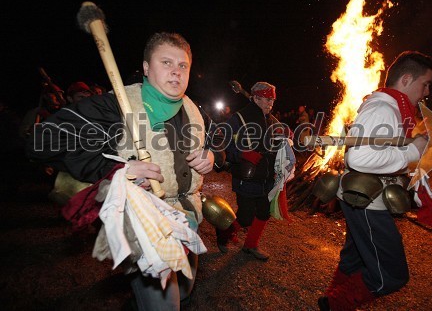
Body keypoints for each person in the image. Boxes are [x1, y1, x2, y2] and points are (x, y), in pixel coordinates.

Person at [26, 32, 222, 311]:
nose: (176, 72)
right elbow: (42, 140)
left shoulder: (193, 109)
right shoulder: (116, 105)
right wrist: (118, 168)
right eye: (166, 63)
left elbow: (217, 145)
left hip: (187, 222)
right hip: (145, 228)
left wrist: (212, 156)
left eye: (183, 66)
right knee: (165, 306)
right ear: (145, 68)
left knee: (186, 290)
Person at [318, 51, 432, 310]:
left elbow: (379, 150)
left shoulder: (391, 107)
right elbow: (360, 157)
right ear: (406, 79)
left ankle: (334, 298)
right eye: (425, 84)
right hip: (369, 203)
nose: (427, 92)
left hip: (366, 199)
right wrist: (413, 151)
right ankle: (335, 303)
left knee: (355, 257)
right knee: (391, 274)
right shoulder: (383, 108)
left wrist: (414, 144)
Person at [214, 81, 292, 261]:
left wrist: (286, 140)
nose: (270, 104)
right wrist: (241, 153)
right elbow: (220, 141)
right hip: (246, 176)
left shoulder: (272, 120)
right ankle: (223, 233)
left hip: (266, 176)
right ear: (255, 98)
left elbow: (277, 143)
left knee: (264, 213)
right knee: (245, 217)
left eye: (272, 100)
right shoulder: (239, 118)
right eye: (266, 99)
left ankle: (250, 245)